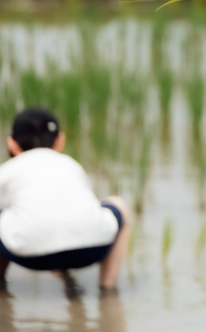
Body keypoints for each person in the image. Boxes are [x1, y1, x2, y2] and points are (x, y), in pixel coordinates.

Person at [0, 108, 131, 294]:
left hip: (29, 254)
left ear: (12, 144)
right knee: (119, 205)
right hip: (91, 250)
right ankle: (107, 289)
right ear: (60, 140)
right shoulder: (71, 164)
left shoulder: (8, 168)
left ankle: (1, 282)